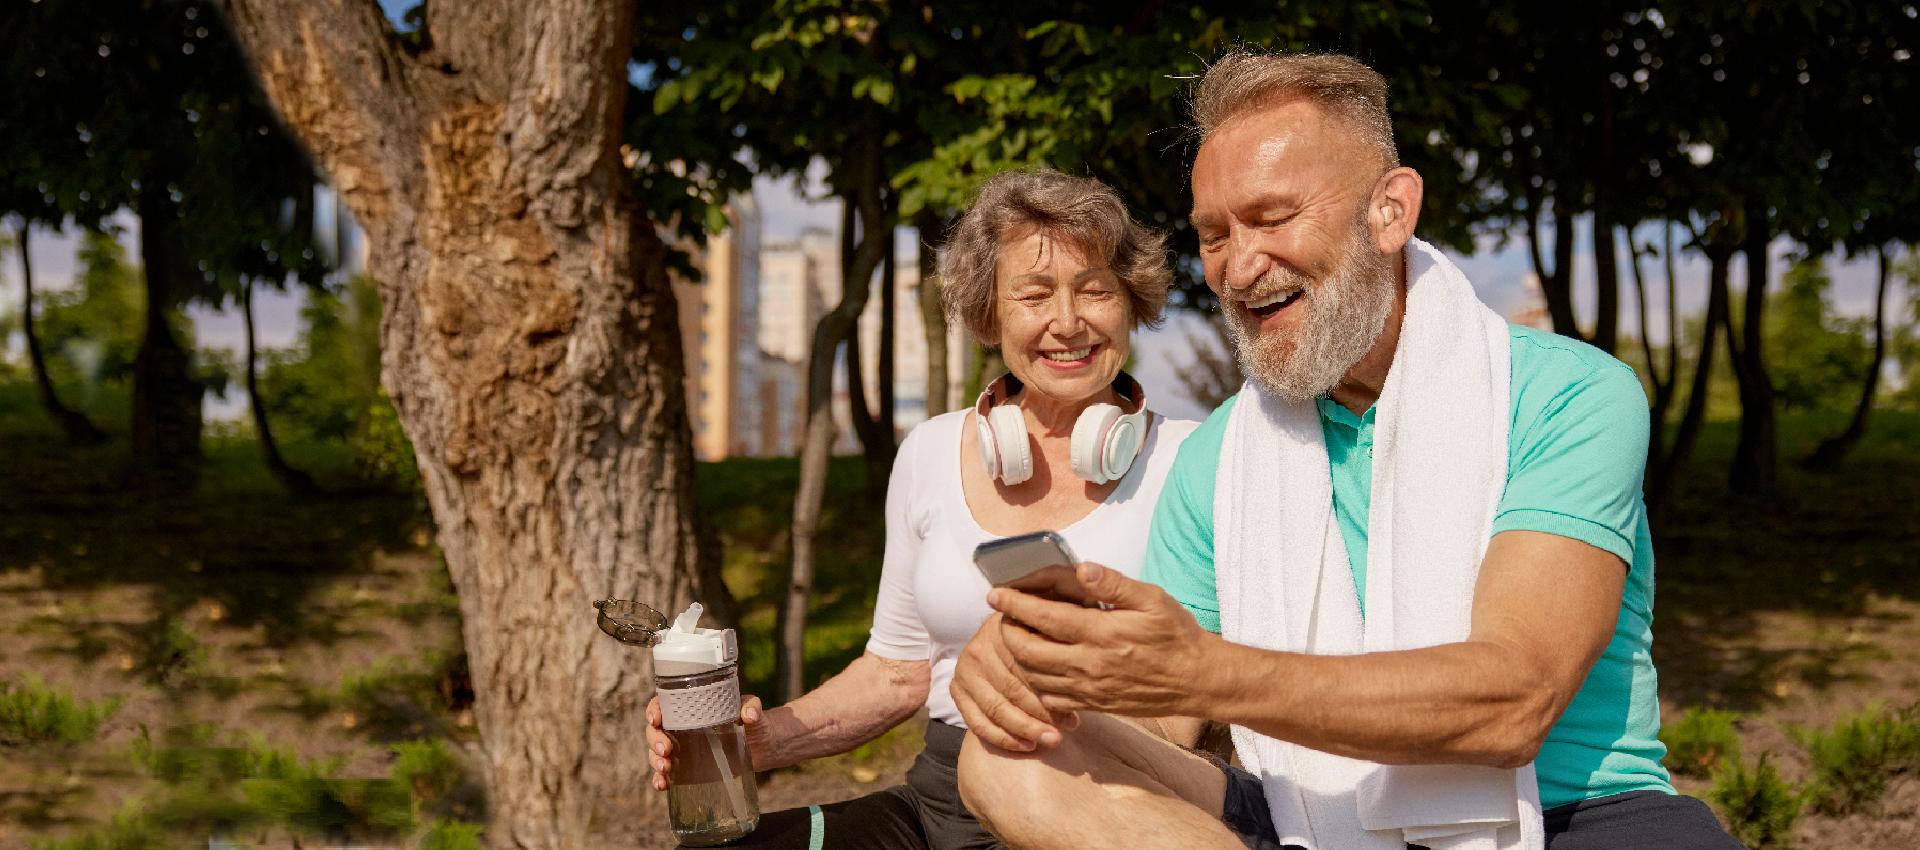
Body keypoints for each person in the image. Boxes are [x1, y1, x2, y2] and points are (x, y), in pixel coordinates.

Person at [948, 52, 1742, 850]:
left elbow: (1514, 703)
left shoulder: (1569, 395)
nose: (1238, 266)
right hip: (1302, 816)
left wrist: (1205, 669)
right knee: (1006, 762)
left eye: (1271, 217)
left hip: (1569, 815)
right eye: (1215, 235)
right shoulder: (1219, 457)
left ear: (1391, 212)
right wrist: (1046, 677)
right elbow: (1163, 711)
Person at [645, 168, 1200, 849]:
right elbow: (897, 672)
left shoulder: (1190, 461)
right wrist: (759, 740)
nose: (1067, 321)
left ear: (1131, 303)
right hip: (937, 798)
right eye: (1033, 294)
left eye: (1094, 290)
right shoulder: (932, 450)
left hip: (1093, 802)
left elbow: (1189, 709)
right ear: (990, 316)